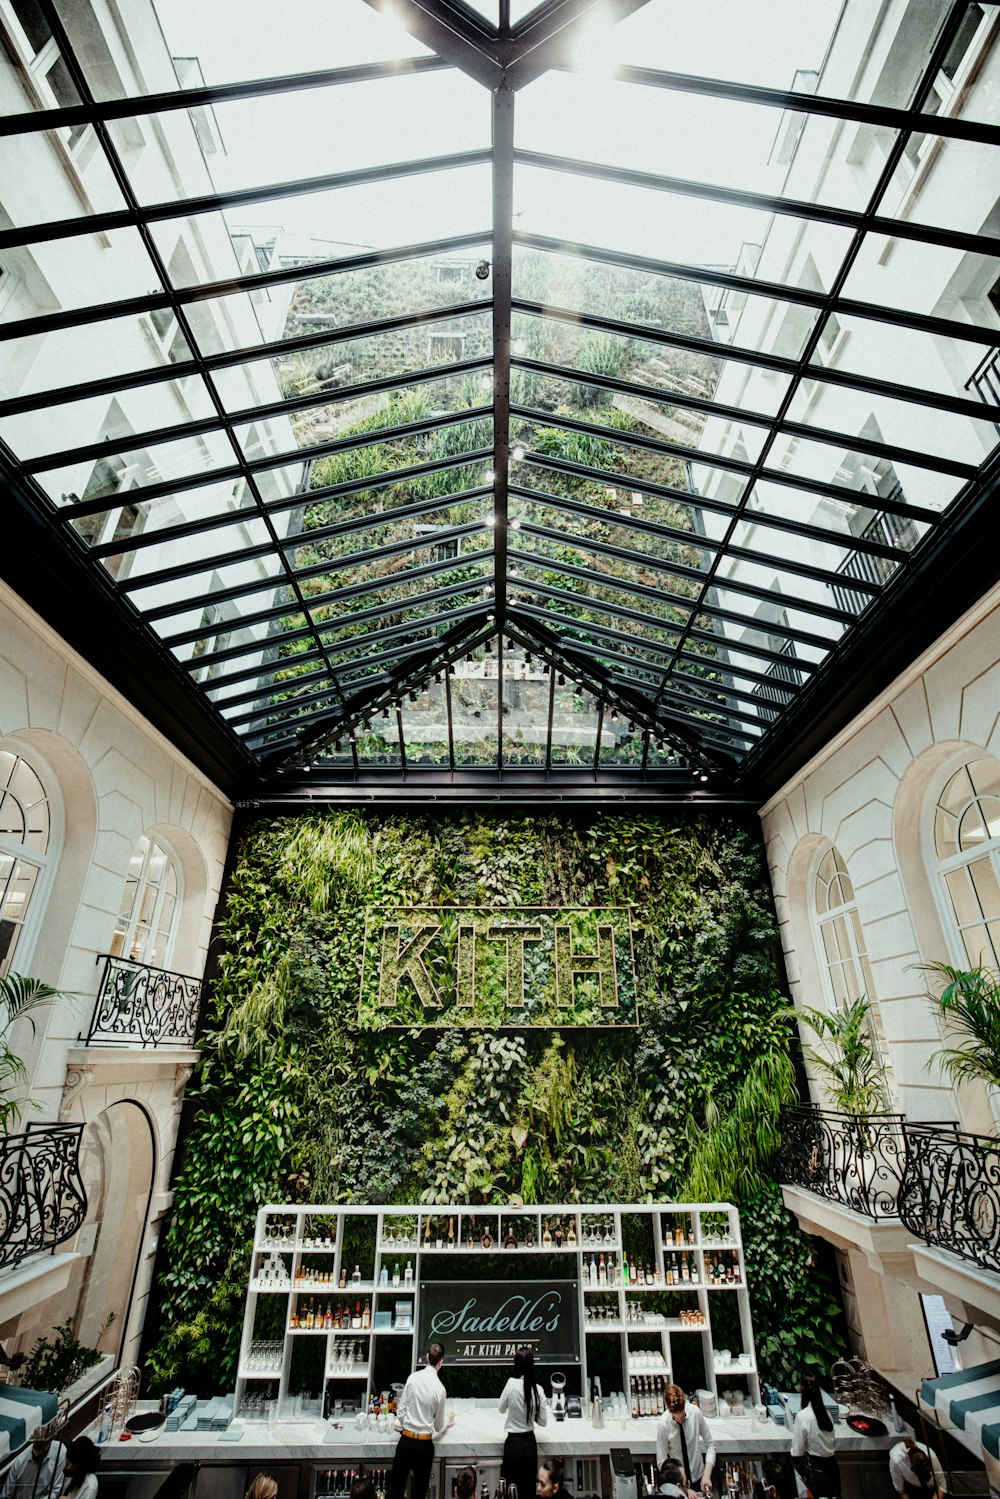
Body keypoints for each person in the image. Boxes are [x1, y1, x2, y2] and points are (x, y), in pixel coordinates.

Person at [386, 1343, 454, 1499]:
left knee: (395, 1490)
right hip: (424, 1445)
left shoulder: (413, 1378)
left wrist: (400, 1424)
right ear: (441, 1362)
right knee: (419, 1493)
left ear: (427, 1357)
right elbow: (437, 1426)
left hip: (406, 1441)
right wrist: (447, 1420)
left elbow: (401, 1412)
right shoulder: (440, 1389)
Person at [499, 1346, 549, 1499]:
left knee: (509, 1492)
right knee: (528, 1492)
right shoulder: (538, 1390)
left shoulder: (511, 1384)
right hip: (529, 1445)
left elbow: (501, 1408)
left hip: (513, 1444)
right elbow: (543, 1422)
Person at [655, 1386, 715, 1497]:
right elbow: (661, 1462)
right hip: (678, 1485)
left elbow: (710, 1445)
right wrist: (684, 1490)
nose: (681, 1420)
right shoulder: (663, 1424)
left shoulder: (695, 1413)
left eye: (683, 1416)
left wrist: (707, 1474)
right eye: (677, 1418)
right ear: (668, 1409)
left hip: (699, 1477)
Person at [790, 1374, 839, 1499]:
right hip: (832, 1468)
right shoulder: (827, 1414)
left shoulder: (803, 1416)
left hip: (814, 1469)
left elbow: (797, 1452)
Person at [0, 1434, 66, 1499]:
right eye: (34, 1454)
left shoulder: (60, 1452)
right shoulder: (20, 1461)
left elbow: (56, 1491)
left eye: (40, 1455)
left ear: (50, 1443)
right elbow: (6, 1495)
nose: (36, 1455)